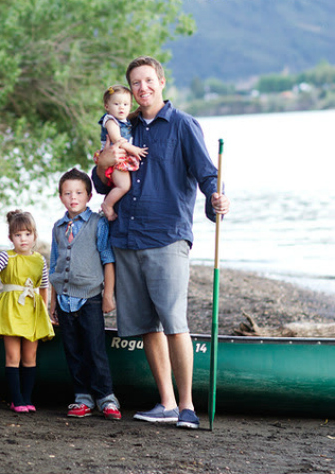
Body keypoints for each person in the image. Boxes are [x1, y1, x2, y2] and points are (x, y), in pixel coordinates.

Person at [92, 56, 230, 429]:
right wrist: (103, 160)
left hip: (167, 237)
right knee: (146, 326)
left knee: (173, 321)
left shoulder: (183, 125)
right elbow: (103, 182)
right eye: (135, 83)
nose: (142, 88)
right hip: (126, 237)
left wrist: (216, 199)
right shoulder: (123, 126)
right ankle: (166, 403)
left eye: (148, 81)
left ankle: (186, 407)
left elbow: (207, 175)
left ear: (162, 82)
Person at [49, 168, 122, 421]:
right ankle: (82, 398)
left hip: (90, 297)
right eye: (68, 193)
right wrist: (52, 302)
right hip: (64, 299)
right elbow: (54, 266)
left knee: (95, 349)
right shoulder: (58, 227)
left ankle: (106, 398)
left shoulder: (98, 223)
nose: (73, 198)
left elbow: (108, 260)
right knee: (73, 350)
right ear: (60, 197)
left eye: (79, 193)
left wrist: (108, 295)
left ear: (89, 196)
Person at [0, 210, 55, 413]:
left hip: (32, 311)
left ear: (34, 235)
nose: (23, 239)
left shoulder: (40, 260)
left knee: (30, 357)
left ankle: (27, 398)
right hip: (11, 309)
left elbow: (43, 286)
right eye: (17, 235)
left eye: (27, 234)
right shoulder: (6, 257)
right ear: (11, 238)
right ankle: (16, 400)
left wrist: (45, 312)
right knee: (12, 356)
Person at [97, 85, 148, 222]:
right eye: (116, 104)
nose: (121, 107)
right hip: (115, 159)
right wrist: (135, 150)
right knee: (124, 185)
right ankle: (108, 205)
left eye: (125, 104)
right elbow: (117, 140)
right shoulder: (110, 121)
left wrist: (136, 113)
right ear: (107, 106)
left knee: (125, 184)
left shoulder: (122, 120)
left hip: (120, 158)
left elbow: (126, 121)